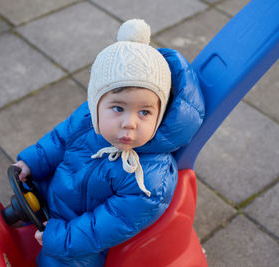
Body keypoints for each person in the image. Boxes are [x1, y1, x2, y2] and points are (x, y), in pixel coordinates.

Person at [14, 19, 205, 266]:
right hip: (53, 197)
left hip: (79, 240)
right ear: (96, 103)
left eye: (145, 112)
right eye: (118, 108)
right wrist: (33, 161)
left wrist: (62, 238)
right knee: (11, 207)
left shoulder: (150, 177)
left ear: (161, 114)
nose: (130, 123)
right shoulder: (89, 119)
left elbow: (110, 224)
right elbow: (60, 139)